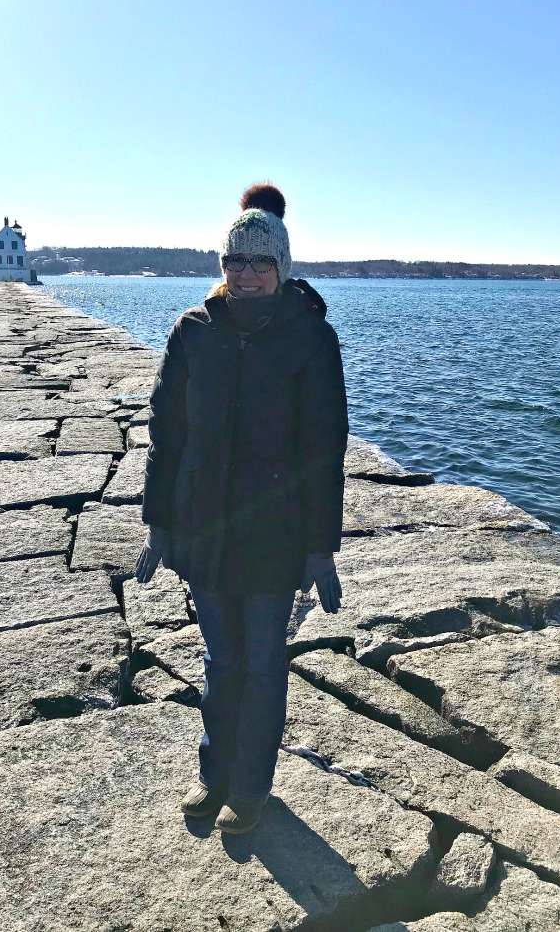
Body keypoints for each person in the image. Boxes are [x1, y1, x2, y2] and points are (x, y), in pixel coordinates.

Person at [135, 183, 348, 834]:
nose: (246, 274)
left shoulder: (310, 338)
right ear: (222, 264)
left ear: (281, 266)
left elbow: (324, 449)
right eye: (235, 260)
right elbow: (166, 433)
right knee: (220, 661)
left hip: (273, 536)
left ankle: (251, 785)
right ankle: (213, 773)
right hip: (204, 529)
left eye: (260, 262)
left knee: (261, 663)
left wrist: (321, 548)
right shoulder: (193, 331)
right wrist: (158, 524)